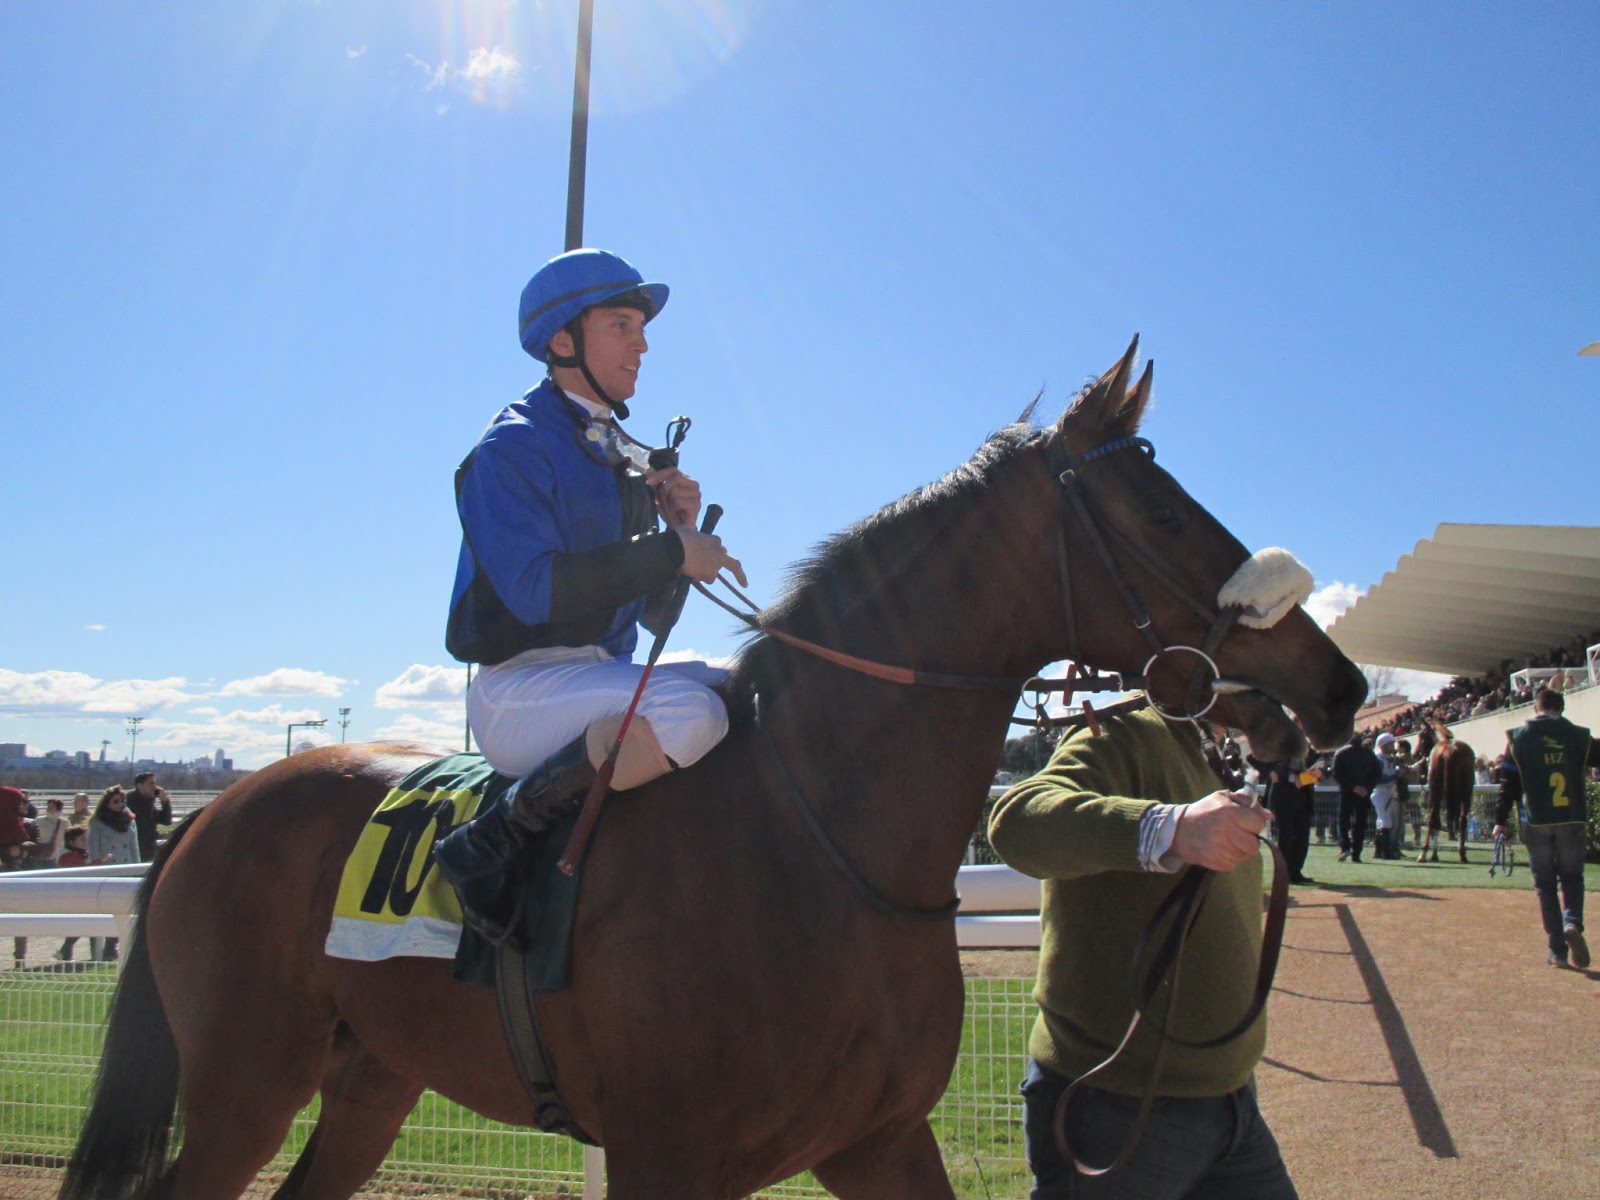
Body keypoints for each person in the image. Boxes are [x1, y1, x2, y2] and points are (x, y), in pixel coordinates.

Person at [434, 247, 747, 941]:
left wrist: (676, 536)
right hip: (519, 691)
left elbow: (649, 618)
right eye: (621, 325)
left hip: (597, 676)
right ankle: (492, 837)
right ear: (562, 341)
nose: (642, 345)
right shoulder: (510, 446)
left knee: (751, 680)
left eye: (642, 328)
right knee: (692, 714)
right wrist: (670, 553)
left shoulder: (615, 453)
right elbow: (533, 593)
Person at [988, 705, 1296, 1199]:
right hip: (1115, 1107)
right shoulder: (1126, 730)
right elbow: (1017, 821)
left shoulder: (1207, 749)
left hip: (1229, 1103)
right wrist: (1172, 828)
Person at [1493, 687, 1600, 968]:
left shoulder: (1518, 738)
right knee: (1573, 878)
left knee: (1545, 884)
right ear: (1561, 708)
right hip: (1572, 817)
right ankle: (1572, 923)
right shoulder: (1580, 736)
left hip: (1536, 819)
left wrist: (1500, 820)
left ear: (1535, 708)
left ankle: (1557, 951)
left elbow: (1508, 784)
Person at [87, 786, 140, 961]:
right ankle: (97, 950)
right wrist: (98, 866)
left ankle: (112, 948)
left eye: (122, 801)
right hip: (108, 870)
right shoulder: (98, 823)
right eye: (116, 801)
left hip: (126, 869)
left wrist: (137, 869)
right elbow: (93, 848)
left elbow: (134, 846)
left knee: (123, 909)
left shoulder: (129, 820)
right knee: (105, 910)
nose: (120, 805)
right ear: (107, 803)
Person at [1331, 733, 1380, 863]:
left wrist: (1352, 787)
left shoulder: (1340, 753)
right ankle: (1357, 853)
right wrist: (1367, 788)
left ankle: (1345, 846)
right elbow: (1377, 774)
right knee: (1360, 823)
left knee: (1343, 820)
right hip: (1364, 793)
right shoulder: (1369, 754)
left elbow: (1336, 774)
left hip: (1347, 792)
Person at [52, 827, 94, 963]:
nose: (86, 841)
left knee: (84, 923)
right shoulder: (68, 856)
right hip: (73, 895)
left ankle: (66, 953)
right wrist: (102, 860)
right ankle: (65, 951)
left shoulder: (80, 854)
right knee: (83, 923)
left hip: (80, 894)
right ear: (71, 842)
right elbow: (85, 871)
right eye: (82, 839)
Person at [126, 771, 173, 862]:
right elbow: (145, 821)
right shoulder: (130, 801)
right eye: (151, 784)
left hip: (149, 848)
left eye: (155, 783)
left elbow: (166, 821)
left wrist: (165, 803)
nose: (155, 787)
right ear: (139, 785)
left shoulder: (149, 802)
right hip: (134, 848)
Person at [1370, 733, 1402, 859]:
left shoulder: (1389, 759)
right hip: (1381, 791)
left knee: (1388, 822)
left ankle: (1381, 851)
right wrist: (1395, 776)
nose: (1393, 747)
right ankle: (1385, 851)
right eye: (1390, 744)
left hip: (1389, 791)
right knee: (1385, 821)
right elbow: (1378, 778)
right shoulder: (1379, 759)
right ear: (1383, 745)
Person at [31, 796, 69, 864]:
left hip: (55, 857)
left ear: (58, 809)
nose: (49, 809)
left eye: (52, 807)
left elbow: (68, 839)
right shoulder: (38, 821)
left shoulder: (64, 823)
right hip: (39, 856)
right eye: (48, 806)